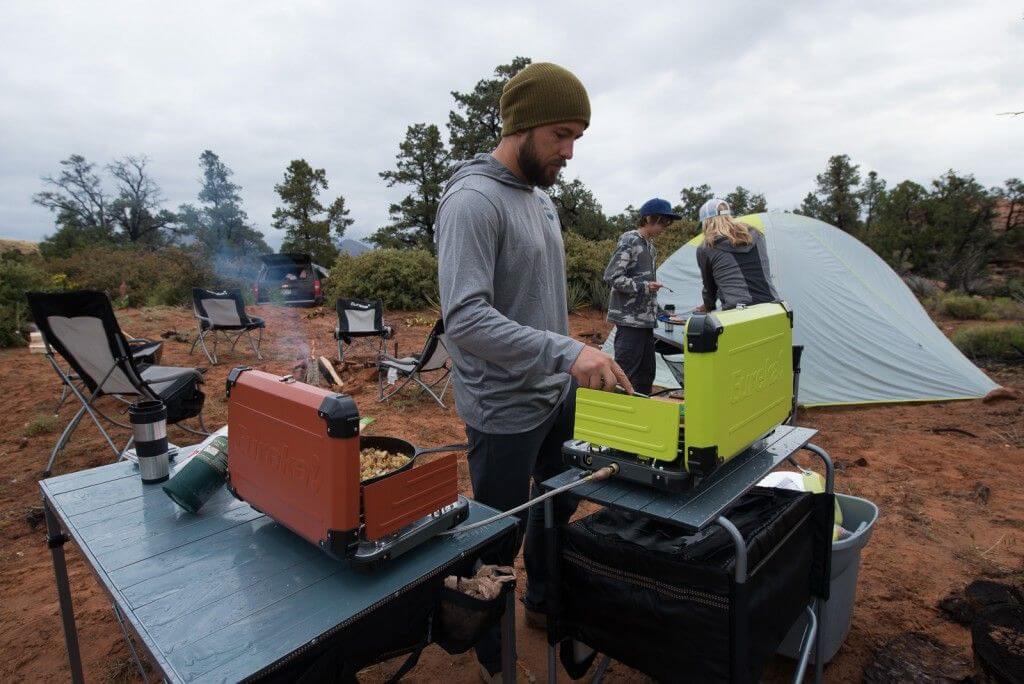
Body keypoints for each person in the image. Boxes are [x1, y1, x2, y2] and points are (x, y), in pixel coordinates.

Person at [434, 62, 632, 681]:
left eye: (578, 137)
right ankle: (497, 660)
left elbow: (537, 300)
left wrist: (571, 353)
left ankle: (546, 606)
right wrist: (566, 351)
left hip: (553, 394)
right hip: (503, 407)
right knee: (494, 543)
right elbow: (464, 320)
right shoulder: (471, 202)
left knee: (559, 501)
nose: (570, 151)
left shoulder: (541, 199)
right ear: (520, 127)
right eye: (560, 135)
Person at [604, 197, 680, 395]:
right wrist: (646, 287)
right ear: (648, 218)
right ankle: (619, 418)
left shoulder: (650, 247)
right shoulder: (631, 240)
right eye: (662, 221)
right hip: (629, 321)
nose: (665, 227)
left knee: (646, 375)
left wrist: (664, 314)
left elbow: (647, 288)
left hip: (646, 323)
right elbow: (612, 276)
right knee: (626, 376)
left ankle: (641, 417)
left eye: (668, 223)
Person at [695, 198, 779, 312]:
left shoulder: (706, 249)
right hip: (774, 307)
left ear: (706, 222)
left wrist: (707, 306)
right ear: (729, 216)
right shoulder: (757, 235)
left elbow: (710, 289)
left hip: (737, 314)